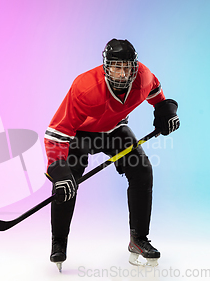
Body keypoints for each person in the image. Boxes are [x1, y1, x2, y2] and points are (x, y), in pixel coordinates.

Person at [44, 38, 180, 271]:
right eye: (117, 66)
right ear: (106, 66)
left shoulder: (143, 77)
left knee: (142, 170)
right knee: (67, 183)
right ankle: (59, 242)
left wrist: (165, 112)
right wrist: (58, 168)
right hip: (80, 134)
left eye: (128, 66)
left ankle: (138, 239)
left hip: (115, 130)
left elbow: (156, 93)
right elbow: (57, 131)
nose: (123, 73)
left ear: (135, 66)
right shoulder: (84, 87)